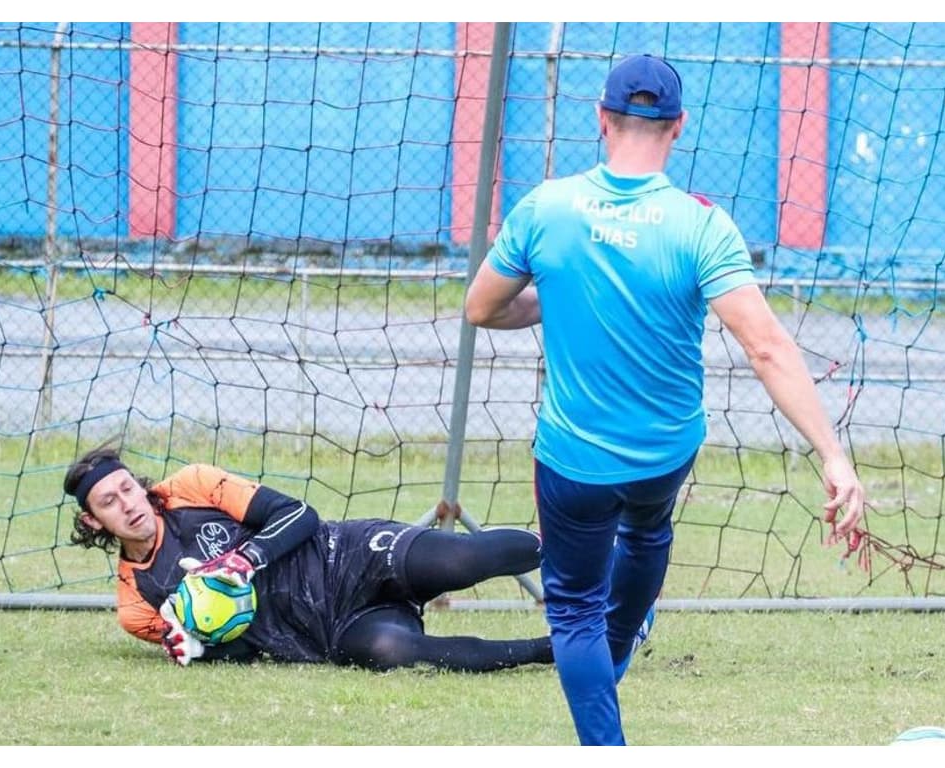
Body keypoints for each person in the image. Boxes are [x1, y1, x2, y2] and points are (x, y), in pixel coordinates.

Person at [464, 54, 866, 745]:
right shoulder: (701, 225)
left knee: (574, 612)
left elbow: (481, 309)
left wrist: (552, 298)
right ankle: (611, 663)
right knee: (648, 533)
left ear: (600, 120)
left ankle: (604, 735)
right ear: (677, 128)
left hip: (575, 462)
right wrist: (834, 456)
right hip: (664, 459)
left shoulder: (545, 207)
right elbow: (767, 346)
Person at [63, 445, 557, 672]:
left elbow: (298, 513)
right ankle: (554, 650)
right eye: (109, 502)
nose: (128, 504)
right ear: (93, 522)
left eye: (127, 487)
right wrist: (201, 651)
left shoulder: (192, 485)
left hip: (347, 557)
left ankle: (588, 548)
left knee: (463, 562)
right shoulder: (136, 604)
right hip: (329, 631)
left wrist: (245, 559)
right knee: (399, 654)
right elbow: (245, 649)